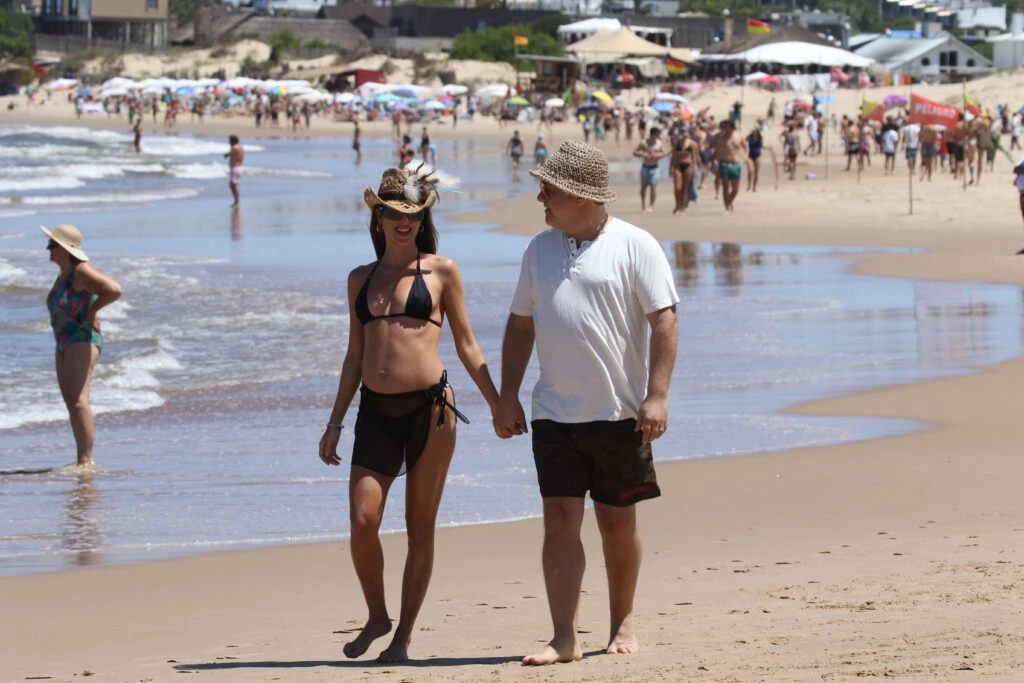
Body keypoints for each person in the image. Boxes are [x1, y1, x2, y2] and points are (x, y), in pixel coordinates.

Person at [494, 140, 679, 666]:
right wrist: (508, 396)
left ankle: (622, 620)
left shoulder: (635, 244)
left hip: (619, 413)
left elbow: (664, 318)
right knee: (558, 520)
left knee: (617, 522)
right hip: (553, 412)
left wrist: (658, 396)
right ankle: (563, 636)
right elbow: (520, 323)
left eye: (547, 190)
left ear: (578, 195)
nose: (540, 199)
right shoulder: (539, 249)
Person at [319, 164, 500, 662]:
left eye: (413, 214)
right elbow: (354, 356)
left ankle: (401, 639)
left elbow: (466, 344)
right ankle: (377, 616)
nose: (404, 222)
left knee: (420, 528)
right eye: (394, 212)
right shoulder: (361, 278)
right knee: (362, 520)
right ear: (377, 217)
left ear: (423, 219)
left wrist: (498, 402)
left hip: (431, 413)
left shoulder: (442, 271)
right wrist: (334, 423)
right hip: (374, 413)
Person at [42, 224, 123, 469]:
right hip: (64, 341)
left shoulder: (80, 271)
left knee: (79, 401)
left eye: (52, 244)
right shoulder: (65, 273)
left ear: (65, 249)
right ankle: (81, 459)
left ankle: (86, 461)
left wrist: (92, 311)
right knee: (71, 402)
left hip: (82, 337)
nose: (48, 249)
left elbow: (113, 290)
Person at [633, 126, 666, 212]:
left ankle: (651, 206)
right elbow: (635, 152)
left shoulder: (659, 143)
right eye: (658, 134)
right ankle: (643, 204)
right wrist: (643, 154)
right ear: (654, 134)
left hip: (655, 167)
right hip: (645, 167)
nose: (659, 135)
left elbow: (664, 153)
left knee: (653, 187)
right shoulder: (644, 143)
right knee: (643, 187)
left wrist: (657, 155)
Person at [714, 120, 745, 211]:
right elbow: (716, 150)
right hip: (724, 163)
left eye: (727, 128)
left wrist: (746, 156)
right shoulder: (721, 138)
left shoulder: (738, 136)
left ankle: (730, 200)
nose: (725, 129)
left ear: (731, 127)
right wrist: (713, 160)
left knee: (735, 189)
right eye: (724, 128)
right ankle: (727, 207)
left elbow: (745, 146)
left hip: (735, 164)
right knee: (725, 187)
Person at [225, 135, 244, 208]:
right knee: (233, 185)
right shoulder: (241, 147)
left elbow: (229, 154)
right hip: (238, 167)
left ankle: (237, 202)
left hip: (235, 168)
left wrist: (226, 155)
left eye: (229, 141)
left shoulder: (234, 148)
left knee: (233, 185)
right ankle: (236, 201)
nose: (229, 142)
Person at [746, 126, 763, 192]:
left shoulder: (760, 138)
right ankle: (749, 185)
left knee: (756, 172)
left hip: (758, 156)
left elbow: (761, 146)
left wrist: (769, 148)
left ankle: (754, 187)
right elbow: (744, 142)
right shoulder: (749, 138)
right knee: (750, 171)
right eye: (753, 131)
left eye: (755, 131)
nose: (754, 132)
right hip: (750, 156)